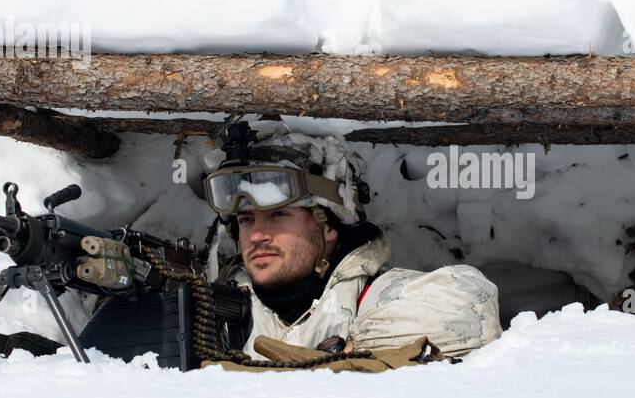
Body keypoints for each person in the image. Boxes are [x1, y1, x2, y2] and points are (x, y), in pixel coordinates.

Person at [201, 127, 501, 360]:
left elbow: (471, 307)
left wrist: (351, 351)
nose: (256, 235)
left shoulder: (370, 297)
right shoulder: (216, 310)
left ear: (329, 226)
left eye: (278, 215)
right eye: (245, 220)